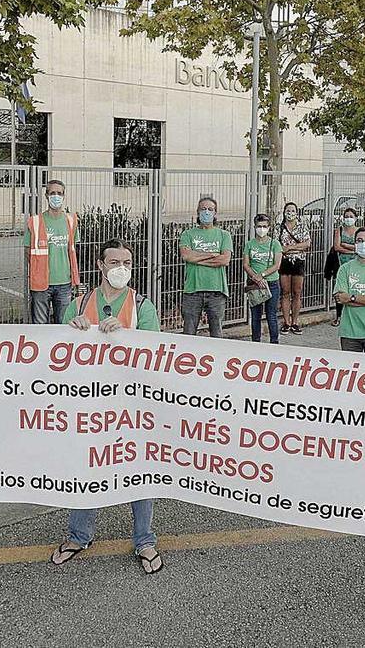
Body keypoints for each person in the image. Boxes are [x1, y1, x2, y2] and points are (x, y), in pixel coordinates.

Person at [52, 239, 163, 574]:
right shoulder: (79, 304)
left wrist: (126, 336)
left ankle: (144, 540)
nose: (120, 268)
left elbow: (155, 355)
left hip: (130, 406)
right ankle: (78, 535)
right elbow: (55, 351)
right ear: (100, 265)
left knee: (138, 472)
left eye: (127, 263)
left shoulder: (142, 306)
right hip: (88, 404)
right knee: (85, 467)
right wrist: (72, 332)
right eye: (113, 262)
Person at [25, 179, 79, 324]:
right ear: (46, 195)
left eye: (59, 193)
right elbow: (28, 252)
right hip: (41, 284)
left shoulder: (71, 220)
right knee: (40, 327)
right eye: (52, 193)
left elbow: (73, 250)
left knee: (64, 326)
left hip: (65, 283)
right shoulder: (35, 221)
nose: (56, 196)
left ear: (64, 196)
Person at [179, 197, 232, 337]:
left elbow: (225, 260)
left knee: (217, 334)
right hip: (192, 290)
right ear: (197, 212)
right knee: (189, 333)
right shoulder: (187, 234)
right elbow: (186, 256)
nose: (206, 212)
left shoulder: (224, 235)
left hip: (216, 291)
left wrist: (197, 259)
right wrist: (212, 255)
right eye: (203, 209)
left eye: (210, 209)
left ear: (215, 213)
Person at [242, 214, 283, 344]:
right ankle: (255, 342)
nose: (262, 229)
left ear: (269, 227)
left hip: (271, 283)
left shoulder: (275, 244)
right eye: (259, 226)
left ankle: (274, 342)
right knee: (255, 316)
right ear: (255, 227)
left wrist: (262, 275)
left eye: (264, 226)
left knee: (271, 315)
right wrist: (255, 277)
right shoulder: (250, 244)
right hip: (255, 285)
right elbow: (246, 264)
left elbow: (277, 265)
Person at [277, 201, 311, 335]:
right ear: (284, 212)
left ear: (297, 213)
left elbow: (307, 243)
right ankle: (286, 322)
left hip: (298, 261)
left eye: (293, 211)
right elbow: (277, 246)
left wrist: (290, 248)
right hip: (284, 262)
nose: (290, 213)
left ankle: (295, 322)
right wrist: (294, 248)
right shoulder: (279, 228)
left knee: (297, 292)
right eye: (288, 210)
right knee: (285, 292)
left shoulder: (302, 226)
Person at [330, 208, 359, 327]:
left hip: (356, 264)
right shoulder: (339, 230)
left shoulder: (359, 231)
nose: (348, 219)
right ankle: (339, 316)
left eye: (351, 216)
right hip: (341, 263)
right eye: (346, 216)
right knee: (341, 288)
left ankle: (353, 316)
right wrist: (353, 250)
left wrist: (346, 245)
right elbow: (337, 247)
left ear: (356, 218)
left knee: (355, 288)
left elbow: (360, 248)